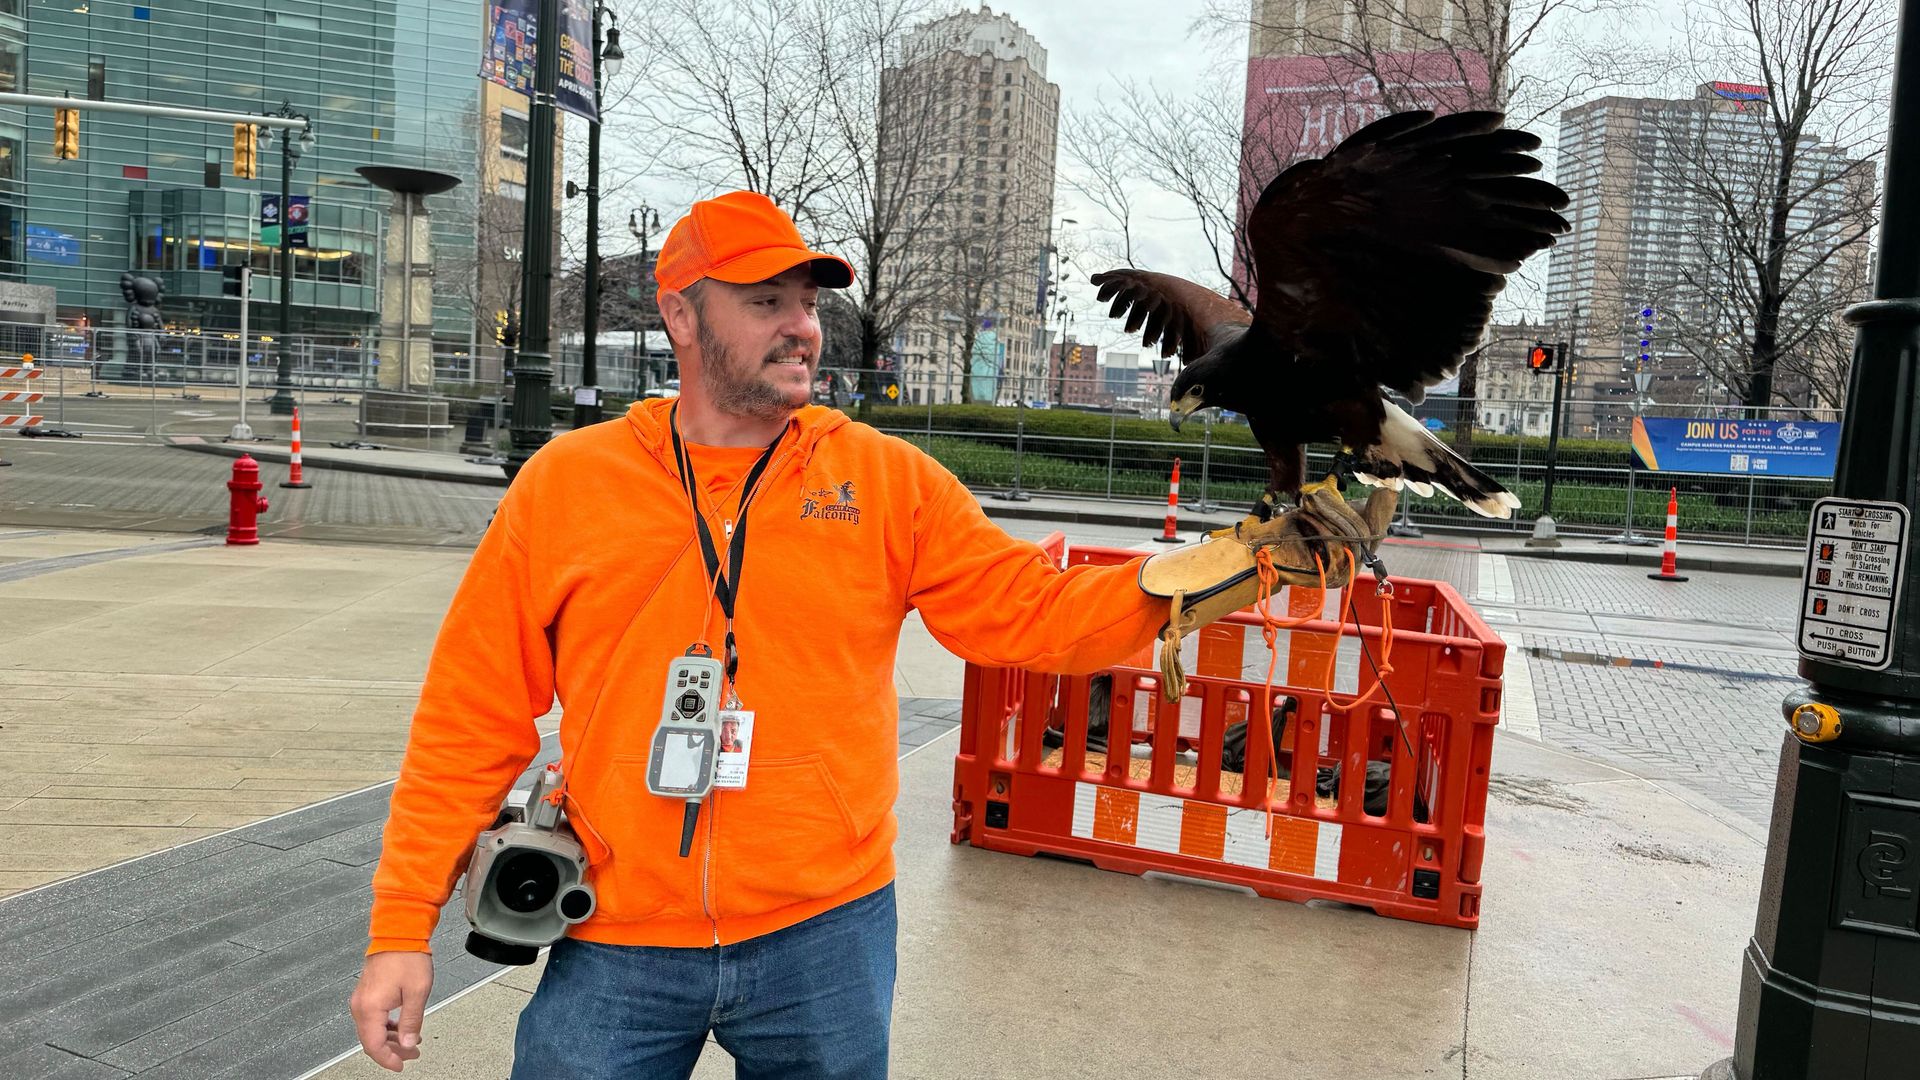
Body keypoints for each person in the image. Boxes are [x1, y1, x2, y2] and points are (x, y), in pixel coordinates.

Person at [349, 191, 1370, 1078]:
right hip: (616, 933)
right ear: (679, 312)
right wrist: (403, 928)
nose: (802, 327)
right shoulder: (568, 487)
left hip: (824, 933)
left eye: (809, 303)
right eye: (766, 303)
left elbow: (1031, 613)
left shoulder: (883, 480)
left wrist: (1241, 566)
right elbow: (472, 715)